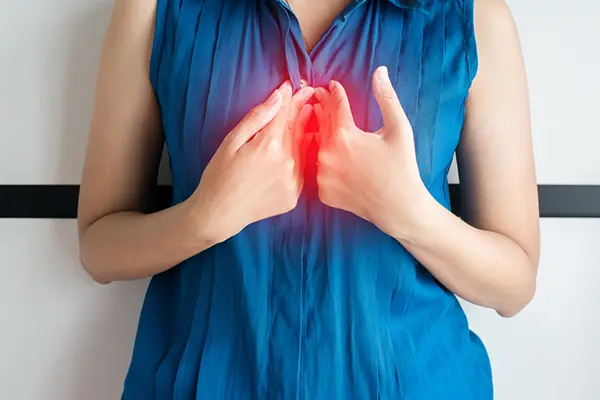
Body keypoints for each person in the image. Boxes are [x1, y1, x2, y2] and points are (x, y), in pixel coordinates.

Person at [77, 0, 540, 398]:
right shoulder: (154, 10)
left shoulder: (476, 20)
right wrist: (205, 218)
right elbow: (99, 248)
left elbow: (514, 286)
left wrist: (405, 211)